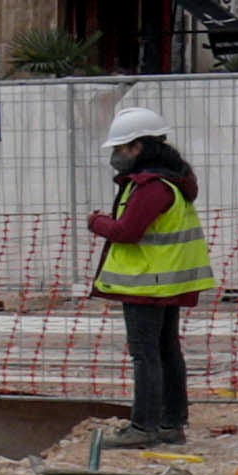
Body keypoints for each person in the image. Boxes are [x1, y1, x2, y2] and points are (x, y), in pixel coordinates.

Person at [89, 105, 209, 440]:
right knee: (167, 350)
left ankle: (144, 427)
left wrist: (95, 222)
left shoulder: (151, 186)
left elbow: (127, 231)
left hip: (147, 284)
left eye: (119, 148)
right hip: (165, 282)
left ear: (138, 146)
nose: (115, 155)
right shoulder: (173, 181)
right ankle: (172, 424)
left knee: (146, 355)